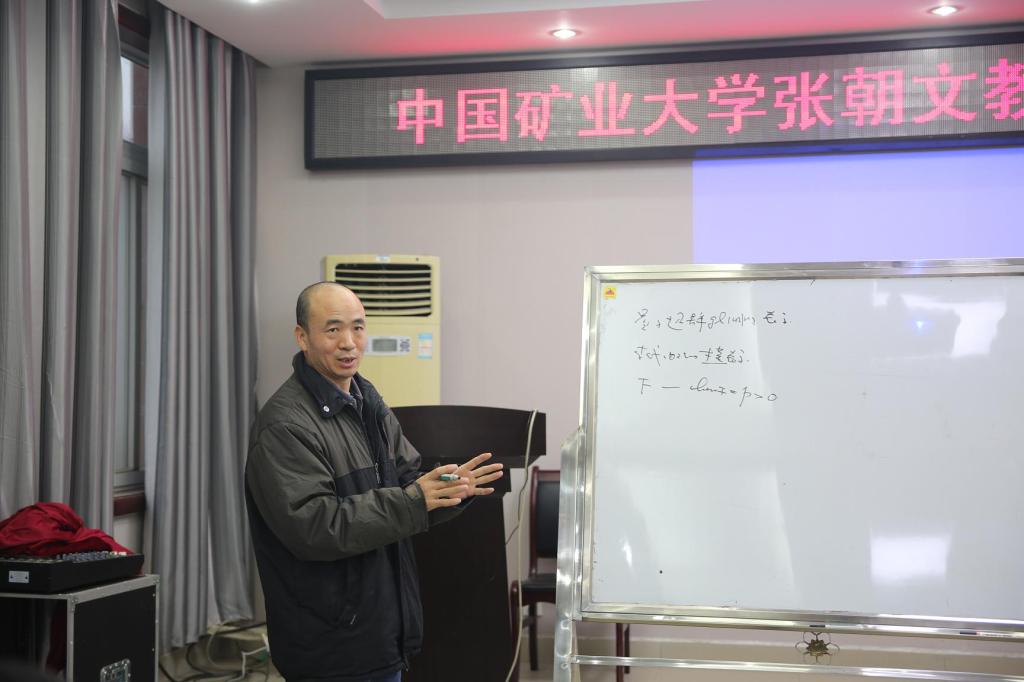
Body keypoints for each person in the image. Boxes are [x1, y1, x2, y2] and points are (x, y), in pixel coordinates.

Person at [245, 282, 502, 682]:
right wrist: (416, 499)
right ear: (302, 337)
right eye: (333, 329)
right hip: (331, 643)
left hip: (380, 632)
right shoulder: (285, 425)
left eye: (358, 327)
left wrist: (449, 490)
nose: (348, 342)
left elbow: (407, 480)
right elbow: (314, 527)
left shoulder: (368, 400)